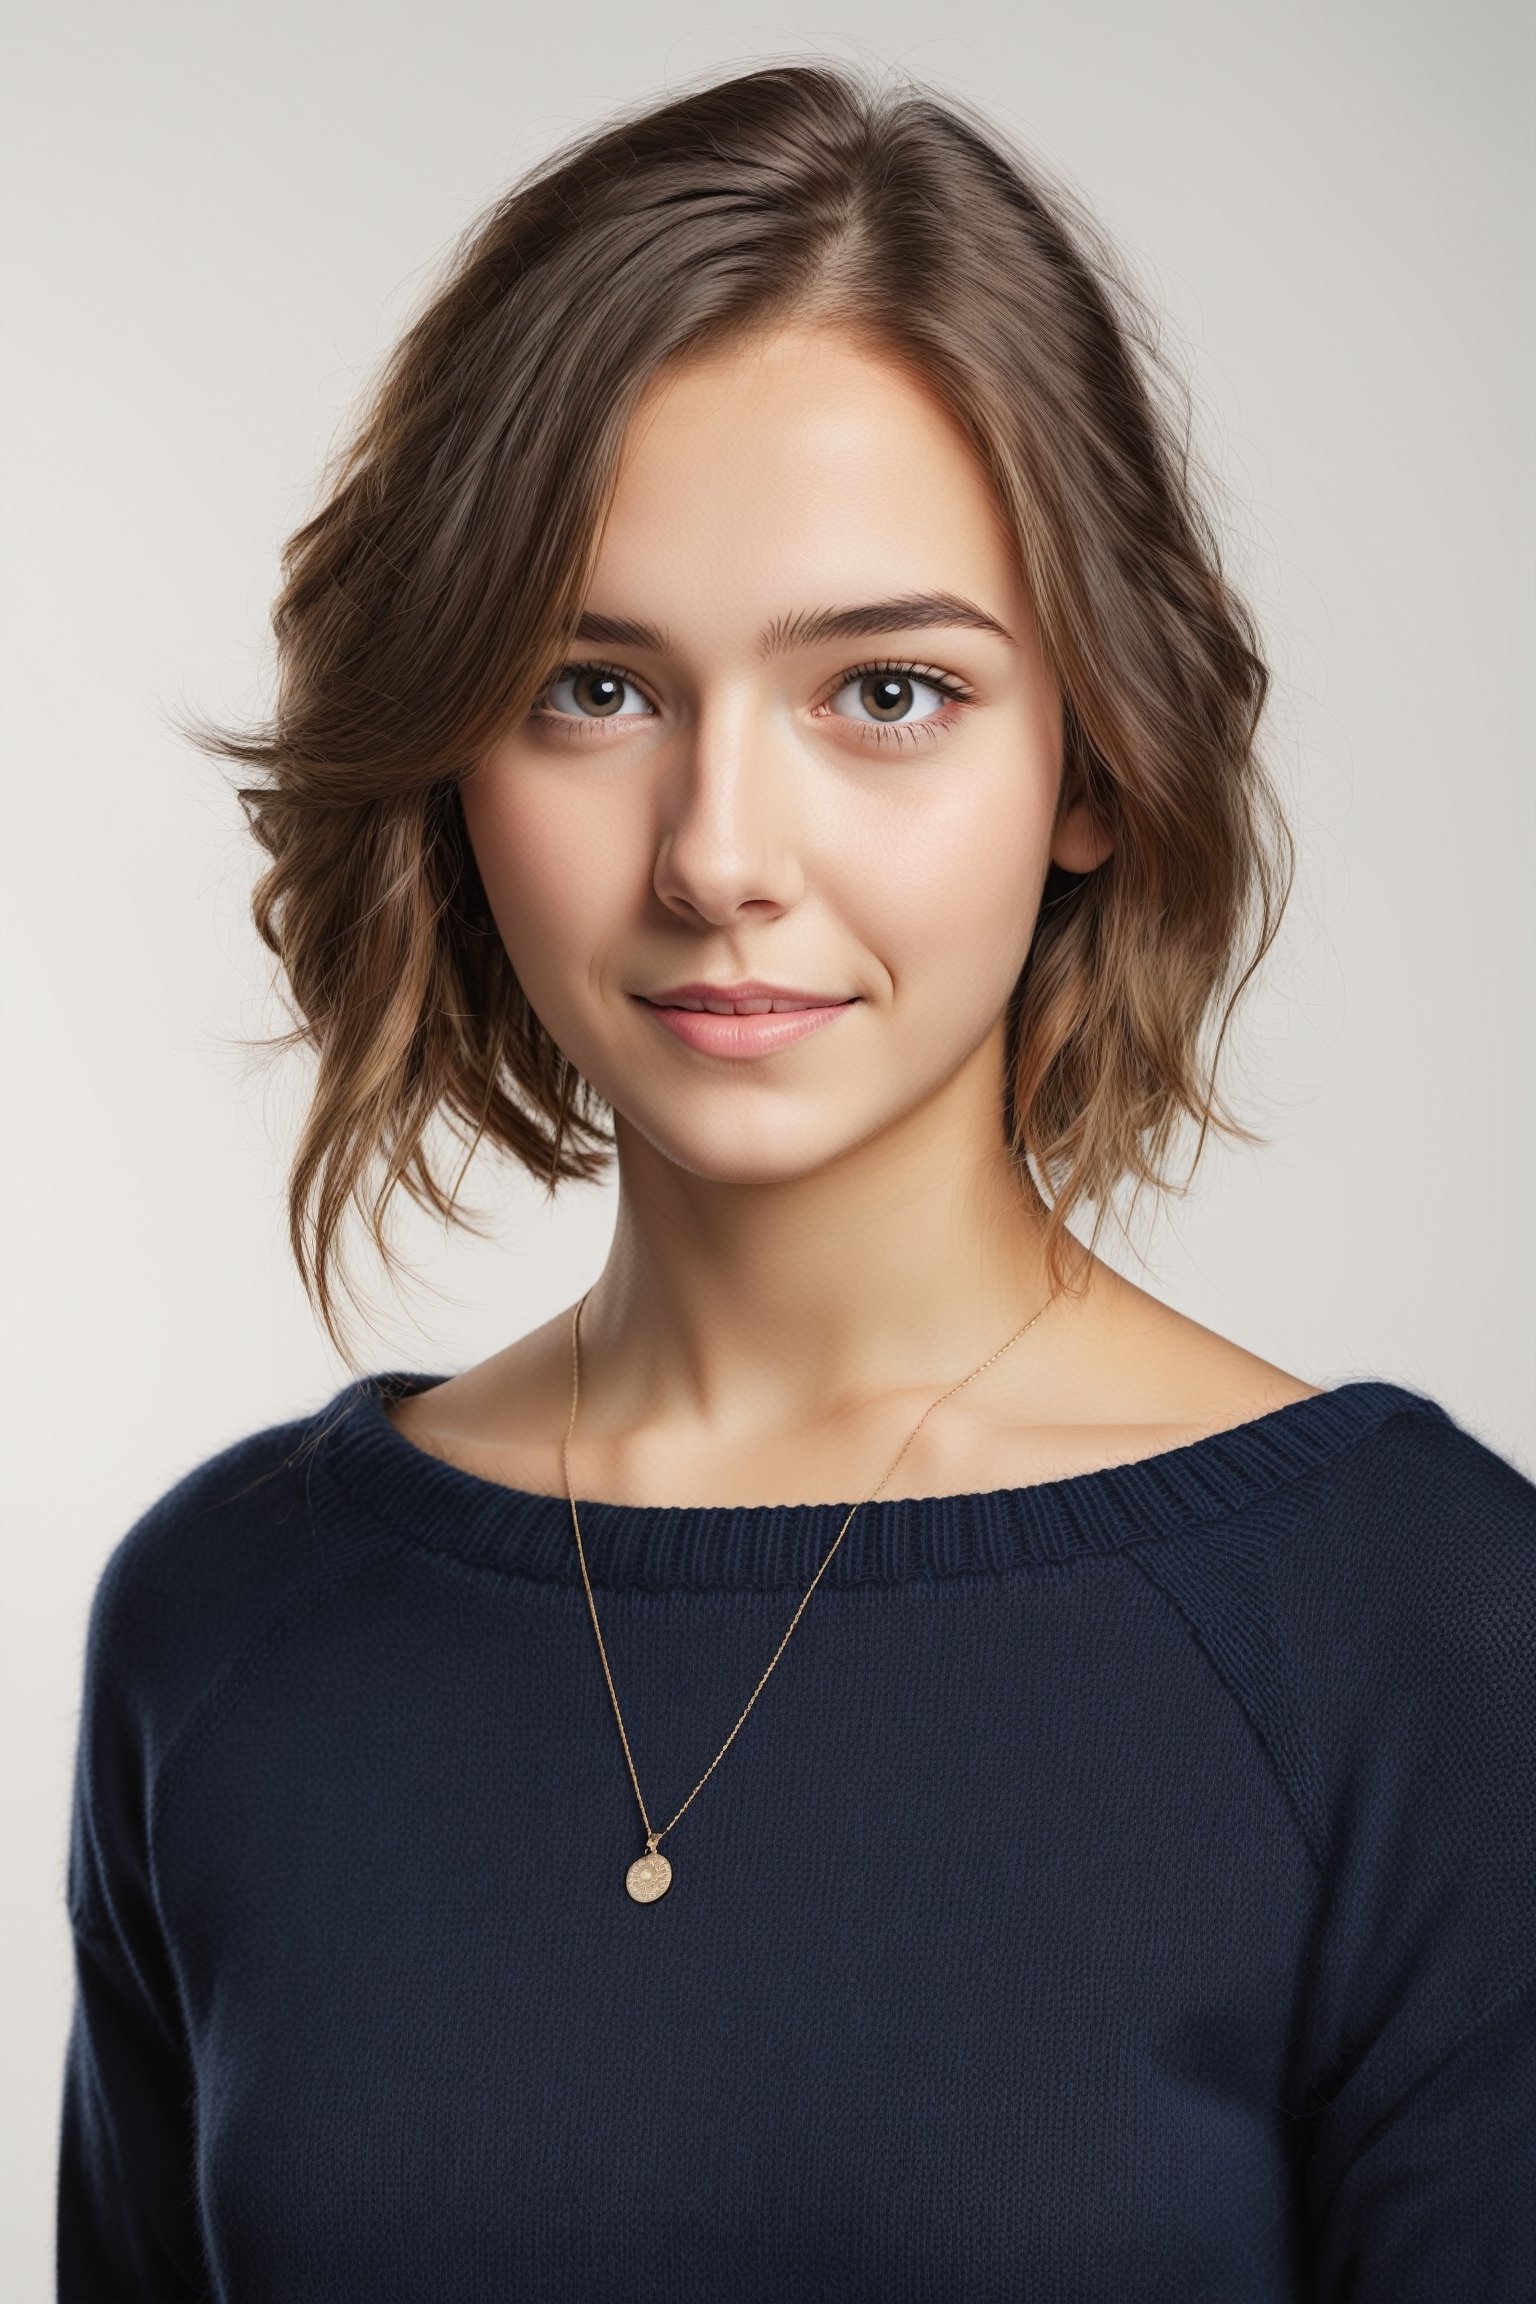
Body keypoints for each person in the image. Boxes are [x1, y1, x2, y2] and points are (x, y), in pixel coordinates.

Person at [56, 59, 1534, 2304]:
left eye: (889, 693)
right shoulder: (227, 1635)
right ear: (449, 753)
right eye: (589, 686)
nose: (722, 857)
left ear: (1097, 763)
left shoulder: (1413, 1630)